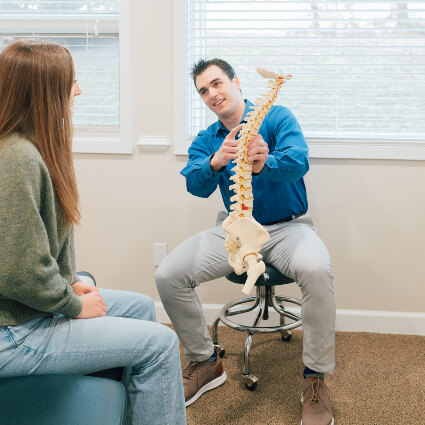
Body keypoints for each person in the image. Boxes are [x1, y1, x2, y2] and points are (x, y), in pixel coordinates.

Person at [0, 40, 186, 425]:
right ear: (45, 91)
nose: (79, 91)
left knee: (139, 307)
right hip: (12, 333)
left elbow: (33, 251)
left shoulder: (29, 148)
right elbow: (18, 269)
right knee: (161, 344)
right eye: (72, 82)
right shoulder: (16, 157)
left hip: (28, 312)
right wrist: (69, 303)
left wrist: (69, 282)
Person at [155, 58, 335, 425]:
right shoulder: (209, 139)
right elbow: (194, 182)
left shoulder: (277, 117)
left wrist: (265, 161)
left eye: (217, 84)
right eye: (203, 90)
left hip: (289, 227)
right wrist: (215, 163)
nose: (212, 94)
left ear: (235, 82)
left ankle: (314, 379)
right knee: (168, 273)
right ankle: (206, 362)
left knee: (317, 270)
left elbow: (299, 161)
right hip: (236, 229)